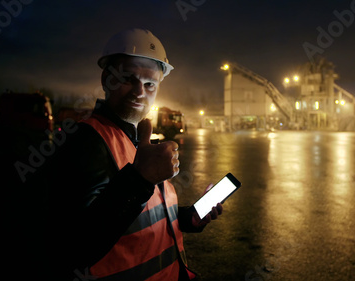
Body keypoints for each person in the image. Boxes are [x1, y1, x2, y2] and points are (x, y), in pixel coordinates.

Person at [46, 28, 223, 281]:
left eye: (150, 84)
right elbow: (71, 248)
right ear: (107, 79)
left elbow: (144, 219)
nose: (140, 92)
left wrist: (190, 217)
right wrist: (139, 179)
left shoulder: (139, 138)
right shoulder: (85, 143)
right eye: (129, 78)